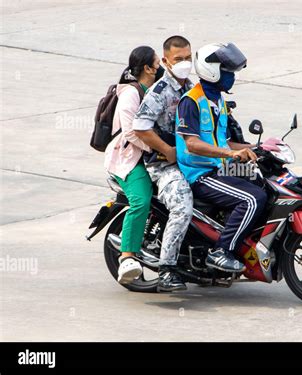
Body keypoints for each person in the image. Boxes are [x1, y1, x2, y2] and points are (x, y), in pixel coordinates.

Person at [176, 42, 267, 273]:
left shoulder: (219, 102)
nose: (232, 77)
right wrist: (230, 153)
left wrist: (261, 148)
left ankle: (247, 244)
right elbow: (192, 143)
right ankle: (222, 251)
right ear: (212, 70)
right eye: (228, 72)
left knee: (264, 182)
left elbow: (225, 143)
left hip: (219, 168)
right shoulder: (191, 101)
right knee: (252, 199)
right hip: (199, 174)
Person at [133, 36, 194, 292]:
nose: (184, 64)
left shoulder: (192, 87)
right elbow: (140, 127)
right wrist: (167, 150)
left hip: (193, 160)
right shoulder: (160, 92)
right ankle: (168, 269)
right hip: (165, 166)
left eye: (188, 58)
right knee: (182, 206)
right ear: (166, 61)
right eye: (178, 59)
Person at [104, 46, 165, 284]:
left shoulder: (156, 88)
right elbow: (131, 132)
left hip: (154, 157)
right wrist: (159, 148)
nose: (161, 67)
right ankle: (127, 256)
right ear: (148, 68)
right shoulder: (131, 93)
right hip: (129, 159)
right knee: (141, 199)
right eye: (158, 63)